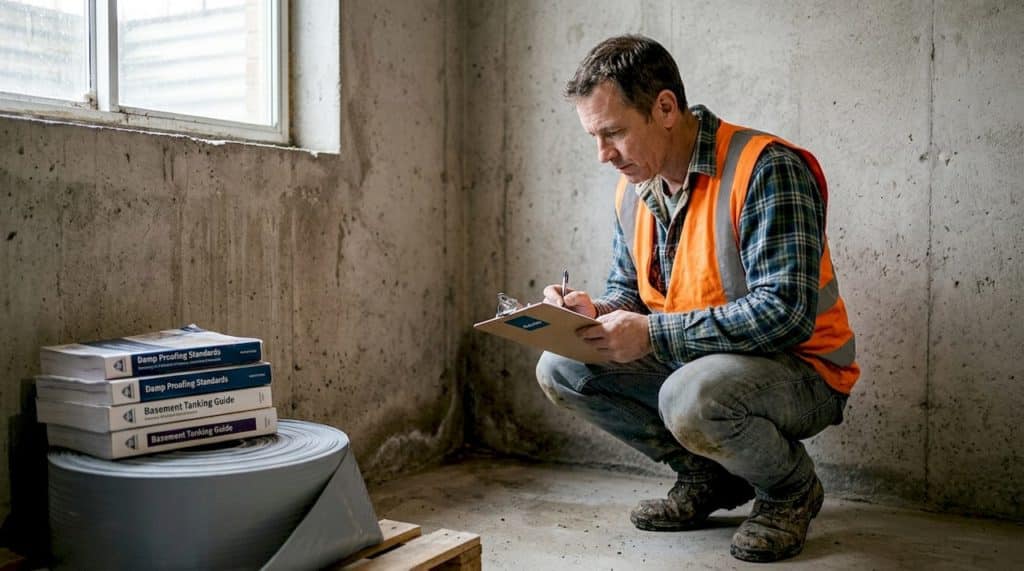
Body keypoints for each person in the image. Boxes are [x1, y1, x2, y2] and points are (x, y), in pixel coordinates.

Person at [535, 34, 858, 563]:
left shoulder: (764, 168)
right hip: (703, 364)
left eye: (613, 133)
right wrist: (595, 314)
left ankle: (790, 491)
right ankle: (709, 477)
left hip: (805, 371)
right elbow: (633, 293)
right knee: (563, 366)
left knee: (688, 395)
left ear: (665, 108)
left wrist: (652, 334)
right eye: (594, 137)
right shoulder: (635, 188)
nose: (603, 155)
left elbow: (787, 313)